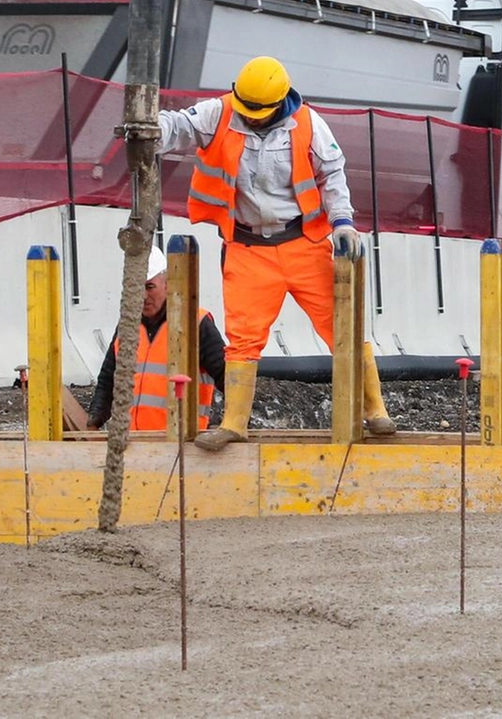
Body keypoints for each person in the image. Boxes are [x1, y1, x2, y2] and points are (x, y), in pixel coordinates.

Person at [157, 55, 398, 451]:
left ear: (279, 102)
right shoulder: (219, 113)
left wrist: (343, 221)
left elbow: (331, 173)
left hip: (303, 243)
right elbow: (179, 125)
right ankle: (234, 423)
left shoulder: (307, 123)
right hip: (248, 248)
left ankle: (375, 410)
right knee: (243, 339)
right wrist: (151, 127)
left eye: (257, 112)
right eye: (245, 109)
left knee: (344, 326)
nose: (249, 117)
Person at [87, 245, 227, 431]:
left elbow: (226, 376)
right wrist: (93, 423)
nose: (143, 295)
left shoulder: (195, 323)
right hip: (133, 443)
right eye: (137, 287)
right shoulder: (127, 326)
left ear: (167, 284)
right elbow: (109, 380)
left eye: (149, 287)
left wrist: (234, 424)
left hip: (181, 446)